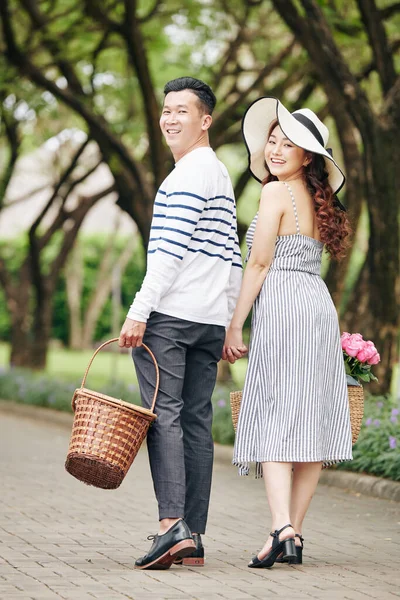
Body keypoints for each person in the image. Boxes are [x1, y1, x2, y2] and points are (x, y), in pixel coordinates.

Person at [223, 97, 353, 569]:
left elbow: (258, 263)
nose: (275, 150)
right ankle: (295, 534)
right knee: (309, 419)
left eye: (288, 143)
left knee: (278, 412)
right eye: (272, 141)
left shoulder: (275, 193)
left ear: (308, 156)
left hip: (281, 304)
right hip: (316, 306)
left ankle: (280, 527)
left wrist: (234, 323)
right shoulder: (320, 202)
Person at [119, 77, 242, 570]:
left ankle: (172, 527)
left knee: (163, 415)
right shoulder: (218, 174)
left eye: (181, 111)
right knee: (193, 419)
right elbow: (233, 257)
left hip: (172, 316)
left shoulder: (186, 175)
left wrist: (138, 310)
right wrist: (231, 322)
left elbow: (167, 254)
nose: (170, 119)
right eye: (166, 110)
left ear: (205, 120)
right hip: (209, 319)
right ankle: (193, 535)